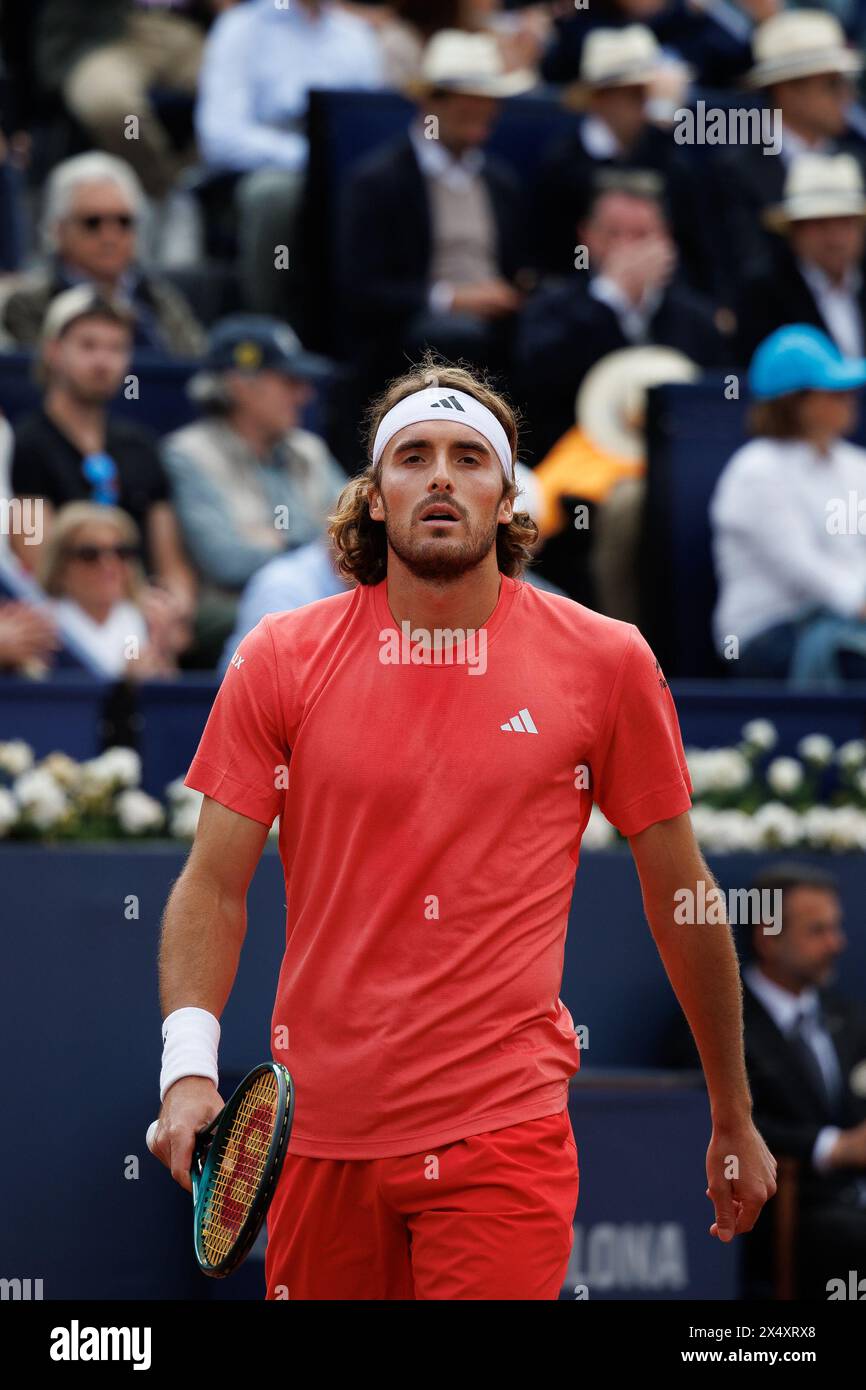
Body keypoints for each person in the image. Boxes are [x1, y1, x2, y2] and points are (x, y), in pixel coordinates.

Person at [148, 354, 776, 1301]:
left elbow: (680, 891)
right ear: (372, 498)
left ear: (508, 498)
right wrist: (187, 1069)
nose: (441, 476)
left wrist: (734, 1110)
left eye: (468, 458)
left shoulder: (607, 662)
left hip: (502, 1131)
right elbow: (214, 883)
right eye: (413, 457)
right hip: (318, 1135)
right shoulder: (279, 658)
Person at [666, 862, 866, 1301]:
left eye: (836, 927)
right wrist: (834, 1148)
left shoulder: (851, 1018)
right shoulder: (715, 1026)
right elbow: (715, 1124)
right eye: (817, 931)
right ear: (767, 938)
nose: (837, 944)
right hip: (786, 1214)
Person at [339, 28, 534, 384]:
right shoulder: (379, 181)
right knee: (456, 336)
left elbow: (521, 266)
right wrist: (451, 299)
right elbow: (360, 290)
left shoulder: (501, 181)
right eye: (467, 98)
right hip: (415, 337)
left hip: (501, 325)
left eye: (488, 98)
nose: (481, 109)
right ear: (432, 102)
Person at [161, 317, 347, 661]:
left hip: (321, 594)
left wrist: (273, 540)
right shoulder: (189, 453)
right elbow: (226, 561)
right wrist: (312, 545)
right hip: (228, 610)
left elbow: (354, 535)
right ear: (241, 385)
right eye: (289, 382)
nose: (304, 395)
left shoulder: (308, 449)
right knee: (290, 612)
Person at [10, 286, 197, 626]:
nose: (103, 361)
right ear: (53, 351)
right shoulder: (27, 445)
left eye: (116, 348)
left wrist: (174, 611)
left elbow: (172, 566)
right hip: (72, 628)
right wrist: (134, 609)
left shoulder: (140, 445)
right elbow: (39, 562)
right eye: (88, 345)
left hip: (148, 626)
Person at [195, 0, 386, 321]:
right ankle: (266, 325)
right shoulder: (240, 29)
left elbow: (370, 123)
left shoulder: (356, 37)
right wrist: (312, 158)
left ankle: (371, 331)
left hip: (345, 172)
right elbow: (221, 137)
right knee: (275, 195)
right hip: (268, 173)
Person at [516, 172, 725, 458]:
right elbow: (538, 387)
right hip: (577, 469)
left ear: (665, 239)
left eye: (641, 235)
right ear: (586, 236)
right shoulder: (550, 308)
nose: (627, 249)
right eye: (613, 234)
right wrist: (610, 300)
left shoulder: (697, 319)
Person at [710, 324, 866, 685]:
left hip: (847, 620)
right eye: (835, 392)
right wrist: (859, 603)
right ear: (797, 403)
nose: (849, 399)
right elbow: (802, 566)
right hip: (768, 634)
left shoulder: (856, 463)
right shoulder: (755, 471)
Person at [533, 25, 713, 294]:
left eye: (645, 93)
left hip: (665, 297)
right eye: (631, 93)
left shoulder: (670, 158)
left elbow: (694, 246)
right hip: (581, 303)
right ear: (598, 98)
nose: (641, 104)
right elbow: (553, 257)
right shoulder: (562, 164)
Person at [0, 153, 206, 355]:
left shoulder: (160, 300)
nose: (110, 236)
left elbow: (194, 371)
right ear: (59, 230)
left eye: (124, 221)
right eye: (93, 222)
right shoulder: (27, 303)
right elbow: (41, 377)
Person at [717, 10, 866, 285]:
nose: (847, 96)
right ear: (788, 91)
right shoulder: (734, 173)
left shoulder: (858, 163)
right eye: (832, 84)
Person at [736, 153, 866, 364]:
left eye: (845, 222)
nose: (835, 238)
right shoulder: (763, 296)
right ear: (795, 232)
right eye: (820, 224)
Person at [37, 502, 188, 678]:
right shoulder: (41, 627)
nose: (109, 565)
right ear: (61, 566)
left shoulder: (146, 619)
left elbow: (167, 695)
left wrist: (164, 653)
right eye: (90, 554)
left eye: (121, 553)